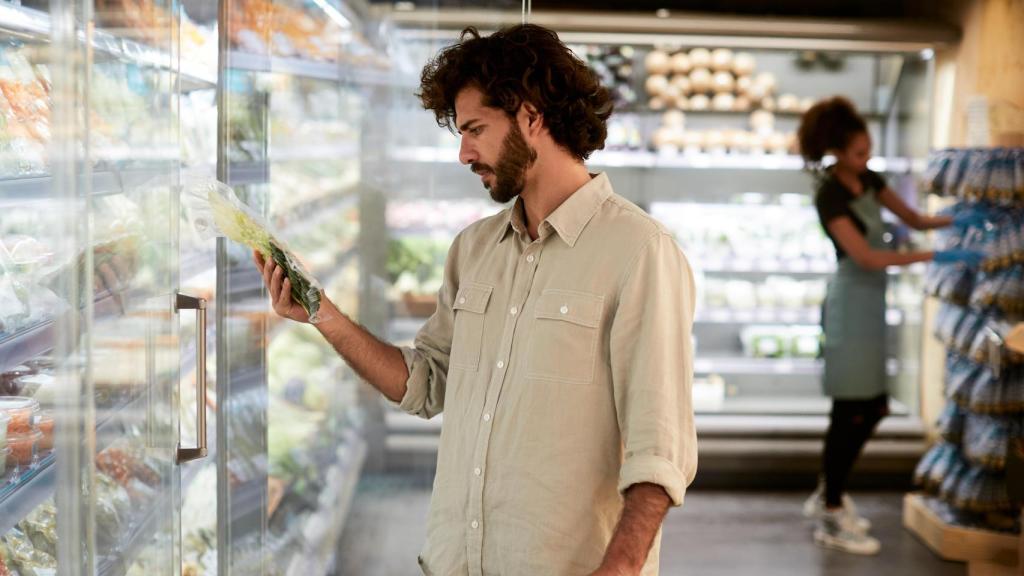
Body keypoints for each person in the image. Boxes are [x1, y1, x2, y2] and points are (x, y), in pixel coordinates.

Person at [255, 24, 697, 576]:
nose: (464, 153)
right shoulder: (475, 249)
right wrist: (320, 312)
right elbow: (424, 384)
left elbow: (661, 449)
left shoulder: (639, 252)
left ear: (531, 117)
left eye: (475, 130)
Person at [796, 96, 983, 555]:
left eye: (868, 150)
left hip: (872, 304)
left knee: (874, 405)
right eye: (858, 153)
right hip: (850, 302)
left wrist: (965, 217)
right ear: (837, 151)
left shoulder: (868, 179)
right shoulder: (830, 194)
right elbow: (866, 256)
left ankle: (828, 492)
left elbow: (915, 218)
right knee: (850, 410)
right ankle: (833, 511)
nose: (866, 159)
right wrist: (935, 255)